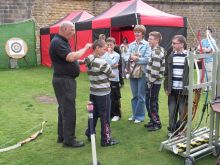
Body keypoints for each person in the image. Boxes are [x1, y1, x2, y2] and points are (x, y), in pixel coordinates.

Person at [49, 21, 92, 147]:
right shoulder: (58, 42)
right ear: (65, 29)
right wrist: (86, 48)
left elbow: (69, 60)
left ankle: (62, 136)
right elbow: (70, 58)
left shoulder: (60, 41)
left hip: (63, 80)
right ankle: (69, 139)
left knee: (63, 109)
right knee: (68, 110)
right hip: (64, 81)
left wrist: (82, 61)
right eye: (72, 30)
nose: (74, 33)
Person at [84, 39, 119, 147]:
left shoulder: (88, 58)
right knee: (105, 117)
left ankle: (90, 133)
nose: (106, 50)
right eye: (104, 48)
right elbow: (112, 74)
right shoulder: (102, 62)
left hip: (93, 91)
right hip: (103, 93)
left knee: (93, 115)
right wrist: (112, 68)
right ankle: (106, 140)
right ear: (97, 48)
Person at [124, 25, 151, 123]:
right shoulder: (131, 45)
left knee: (140, 95)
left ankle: (140, 116)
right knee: (134, 95)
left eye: (138, 32)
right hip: (132, 72)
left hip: (142, 72)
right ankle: (134, 114)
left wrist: (137, 59)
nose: (136, 34)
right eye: (135, 32)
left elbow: (148, 59)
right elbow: (125, 56)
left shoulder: (147, 45)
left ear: (143, 34)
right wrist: (131, 57)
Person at [164, 35, 189, 137]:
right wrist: (166, 87)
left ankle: (182, 131)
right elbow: (166, 73)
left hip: (184, 90)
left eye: (175, 43)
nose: (172, 45)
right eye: (172, 43)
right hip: (172, 89)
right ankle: (172, 130)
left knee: (183, 112)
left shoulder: (189, 56)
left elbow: (196, 67)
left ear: (182, 44)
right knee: (172, 111)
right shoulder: (170, 56)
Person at [144, 31, 166, 131]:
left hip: (153, 82)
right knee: (152, 101)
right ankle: (153, 121)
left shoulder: (157, 52)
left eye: (150, 38)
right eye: (149, 38)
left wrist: (149, 82)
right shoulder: (156, 50)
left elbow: (155, 71)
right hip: (154, 82)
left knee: (151, 102)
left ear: (157, 40)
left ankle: (156, 123)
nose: (148, 40)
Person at [103, 37, 121, 121]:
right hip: (105, 78)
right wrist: (110, 65)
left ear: (114, 45)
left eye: (111, 44)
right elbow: (104, 64)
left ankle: (116, 114)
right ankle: (109, 113)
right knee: (106, 96)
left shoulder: (117, 55)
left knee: (115, 96)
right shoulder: (104, 54)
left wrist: (109, 64)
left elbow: (111, 63)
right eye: (108, 44)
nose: (109, 46)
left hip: (114, 78)